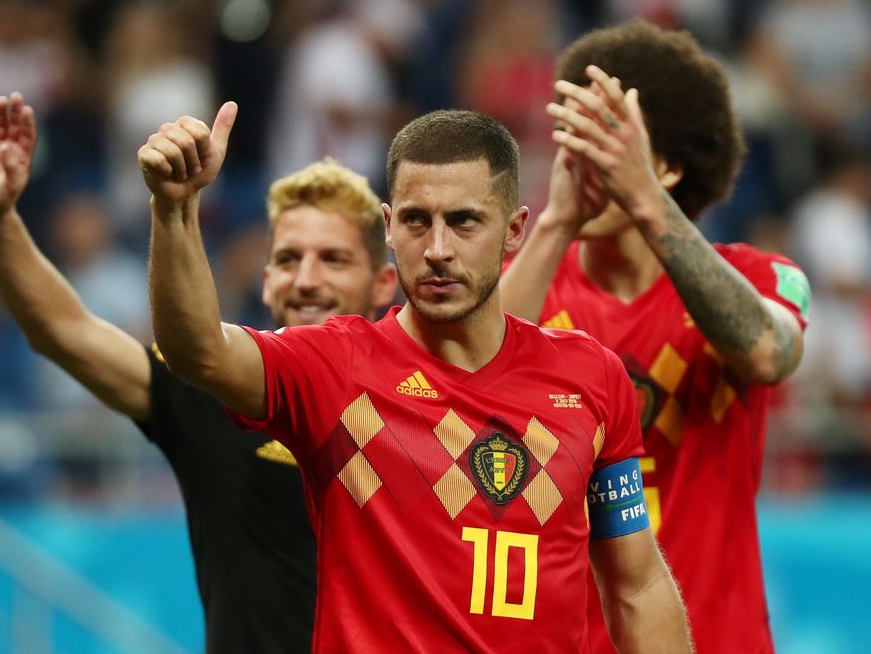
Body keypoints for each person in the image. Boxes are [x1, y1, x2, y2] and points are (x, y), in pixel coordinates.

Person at [143, 102, 693, 652]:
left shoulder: (591, 378)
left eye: (463, 220)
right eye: (415, 220)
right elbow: (200, 352)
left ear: (514, 230)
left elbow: (636, 585)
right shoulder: (334, 367)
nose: (436, 249)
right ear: (388, 227)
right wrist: (175, 210)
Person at [0, 92, 398, 653]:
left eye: (333, 259)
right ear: (266, 281)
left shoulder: (419, 398)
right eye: (289, 259)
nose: (307, 279)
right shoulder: (207, 387)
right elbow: (61, 328)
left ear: (384, 285)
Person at [500, 20, 810, 653]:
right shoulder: (527, 286)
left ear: (666, 166)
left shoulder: (757, 276)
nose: (582, 164)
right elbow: (454, 378)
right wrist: (556, 222)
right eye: (572, 143)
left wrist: (644, 199)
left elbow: (766, 352)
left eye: (605, 144)